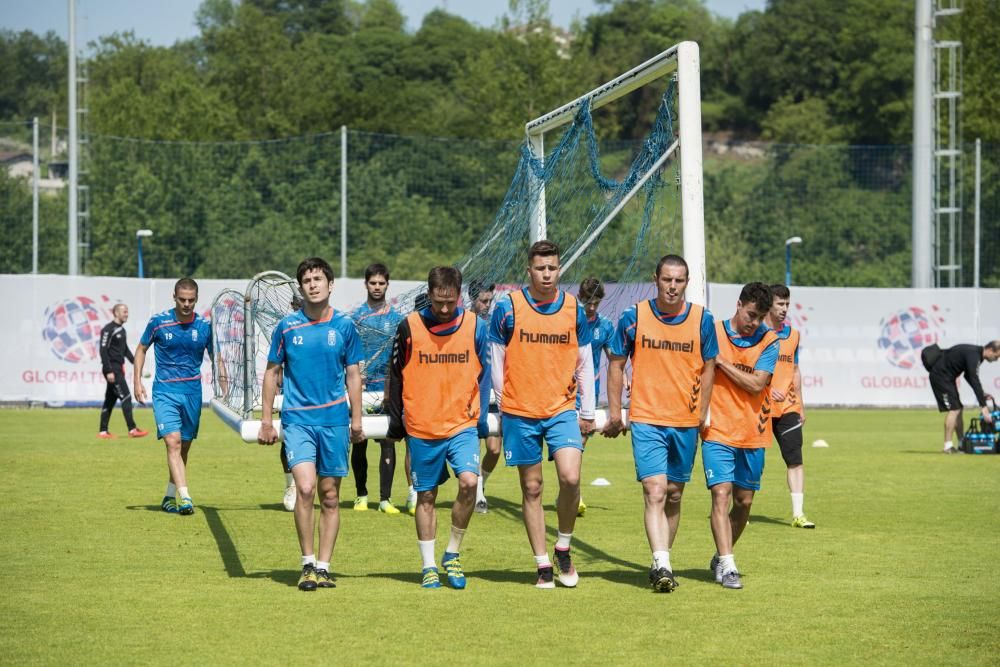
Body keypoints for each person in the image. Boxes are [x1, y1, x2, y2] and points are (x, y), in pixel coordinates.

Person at [603, 255, 717, 592]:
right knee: (654, 490)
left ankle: (662, 558)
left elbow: (709, 366)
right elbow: (615, 363)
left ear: (687, 282)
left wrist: (702, 412)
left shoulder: (702, 320)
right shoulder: (633, 317)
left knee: (674, 494)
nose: (672, 286)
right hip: (647, 418)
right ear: (656, 279)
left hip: (684, 421)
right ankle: (662, 563)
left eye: (679, 281)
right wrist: (614, 411)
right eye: (667, 279)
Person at [490, 239, 596, 588]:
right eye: (540, 268)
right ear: (529, 270)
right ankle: (542, 565)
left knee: (570, 477)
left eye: (552, 268)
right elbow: (496, 357)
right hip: (520, 411)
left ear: (559, 269)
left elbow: (584, 361)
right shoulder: (508, 308)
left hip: (561, 409)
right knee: (532, 487)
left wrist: (588, 411)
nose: (547, 274)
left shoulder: (573, 309)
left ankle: (563, 546)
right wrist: (505, 402)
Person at [259, 257, 364, 591]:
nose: (313, 285)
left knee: (330, 496)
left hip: (334, 421)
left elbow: (353, 374)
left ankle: (323, 566)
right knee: (305, 488)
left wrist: (357, 418)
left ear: (330, 285)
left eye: (318, 279)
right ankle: (306, 563)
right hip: (299, 421)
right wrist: (266, 420)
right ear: (301, 287)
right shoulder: (287, 327)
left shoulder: (345, 326)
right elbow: (272, 372)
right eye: (307, 280)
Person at [386, 266, 489, 588]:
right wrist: (395, 420)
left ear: (459, 296)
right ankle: (429, 565)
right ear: (429, 294)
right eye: (438, 301)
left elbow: (484, 374)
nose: (445, 308)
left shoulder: (475, 327)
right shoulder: (409, 327)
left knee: (470, 483)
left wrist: (482, 416)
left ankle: (452, 554)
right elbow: (396, 375)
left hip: (462, 424)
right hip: (422, 427)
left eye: (451, 301)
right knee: (426, 497)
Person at [701, 282, 778, 590]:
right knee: (720, 495)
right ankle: (729, 564)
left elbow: (757, 385)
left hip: (753, 433)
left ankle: (721, 555)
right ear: (738, 304)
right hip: (717, 430)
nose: (754, 323)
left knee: (743, 503)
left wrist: (720, 362)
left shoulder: (770, 341)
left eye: (760, 317)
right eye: (751, 314)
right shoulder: (713, 332)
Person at [134, 278, 214, 516]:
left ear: (196, 299)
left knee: (183, 448)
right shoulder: (158, 322)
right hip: (165, 392)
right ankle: (186, 498)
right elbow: (141, 349)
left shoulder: (204, 326)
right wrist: (137, 381)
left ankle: (169, 495)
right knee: (173, 442)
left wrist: (222, 379)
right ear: (174, 297)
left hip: (192, 392)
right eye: (182, 299)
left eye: (191, 300)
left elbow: (216, 356)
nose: (186, 304)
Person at [349, 263, 408, 514]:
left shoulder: (397, 320)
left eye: (381, 283)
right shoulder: (356, 317)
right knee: (359, 440)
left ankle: (385, 499)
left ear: (387, 285)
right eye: (372, 283)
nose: (376, 287)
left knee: (388, 442)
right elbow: (350, 354)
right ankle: (361, 495)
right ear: (365, 285)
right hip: (362, 388)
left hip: (387, 389)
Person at [764, 284, 815, 528]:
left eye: (787, 304)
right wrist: (764, 388)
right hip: (760, 407)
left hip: (788, 407)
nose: (784, 309)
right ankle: (741, 509)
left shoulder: (793, 335)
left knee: (795, 458)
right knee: (751, 459)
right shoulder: (757, 334)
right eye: (779, 304)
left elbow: (794, 370)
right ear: (769, 305)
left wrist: (801, 405)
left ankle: (798, 514)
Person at [573, 277, 615, 517]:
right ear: (580, 298)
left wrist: (627, 380)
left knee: (580, 444)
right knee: (574, 445)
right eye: (588, 302)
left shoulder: (605, 326)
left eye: (595, 303)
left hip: (590, 393)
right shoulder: (570, 320)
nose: (591, 307)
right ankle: (573, 494)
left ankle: (571, 493)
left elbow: (613, 359)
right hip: (566, 391)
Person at [928, 340, 1000, 453]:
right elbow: (974, 379)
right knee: (954, 409)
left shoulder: (976, 354)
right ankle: (947, 446)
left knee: (958, 408)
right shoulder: (974, 355)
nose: (996, 360)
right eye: (997, 356)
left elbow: (968, 376)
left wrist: (982, 394)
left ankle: (962, 444)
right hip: (940, 377)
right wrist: (984, 407)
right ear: (991, 350)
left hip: (947, 378)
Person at [467, 280, 502, 514]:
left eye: (490, 300)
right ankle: (478, 495)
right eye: (483, 301)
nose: (487, 305)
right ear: (472, 299)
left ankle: (481, 484)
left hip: (495, 393)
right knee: (476, 445)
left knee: (495, 450)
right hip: (474, 392)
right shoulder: (466, 323)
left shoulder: (496, 324)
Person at [98, 303, 148, 439]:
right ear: (116, 313)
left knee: (109, 400)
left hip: (118, 368)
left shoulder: (122, 330)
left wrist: (136, 364)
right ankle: (132, 429)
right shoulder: (108, 329)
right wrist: (108, 370)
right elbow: (103, 351)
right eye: (124, 312)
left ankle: (103, 432)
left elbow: (125, 350)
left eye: (127, 312)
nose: (127, 314)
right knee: (126, 396)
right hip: (112, 369)